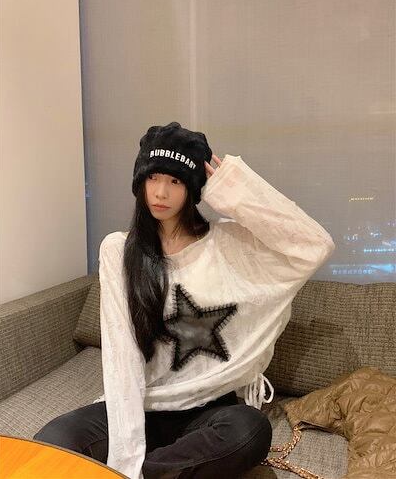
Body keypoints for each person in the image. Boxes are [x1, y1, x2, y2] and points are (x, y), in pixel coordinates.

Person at [33, 122, 335, 479]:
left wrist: (234, 188)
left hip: (211, 410)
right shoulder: (119, 250)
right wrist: (126, 458)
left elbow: (314, 245)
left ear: (192, 188)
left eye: (175, 181)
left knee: (250, 431)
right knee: (51, 443)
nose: (160, 192)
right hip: (147, 405)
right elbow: (121, 356)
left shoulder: (230, 244)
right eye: (152, 177)